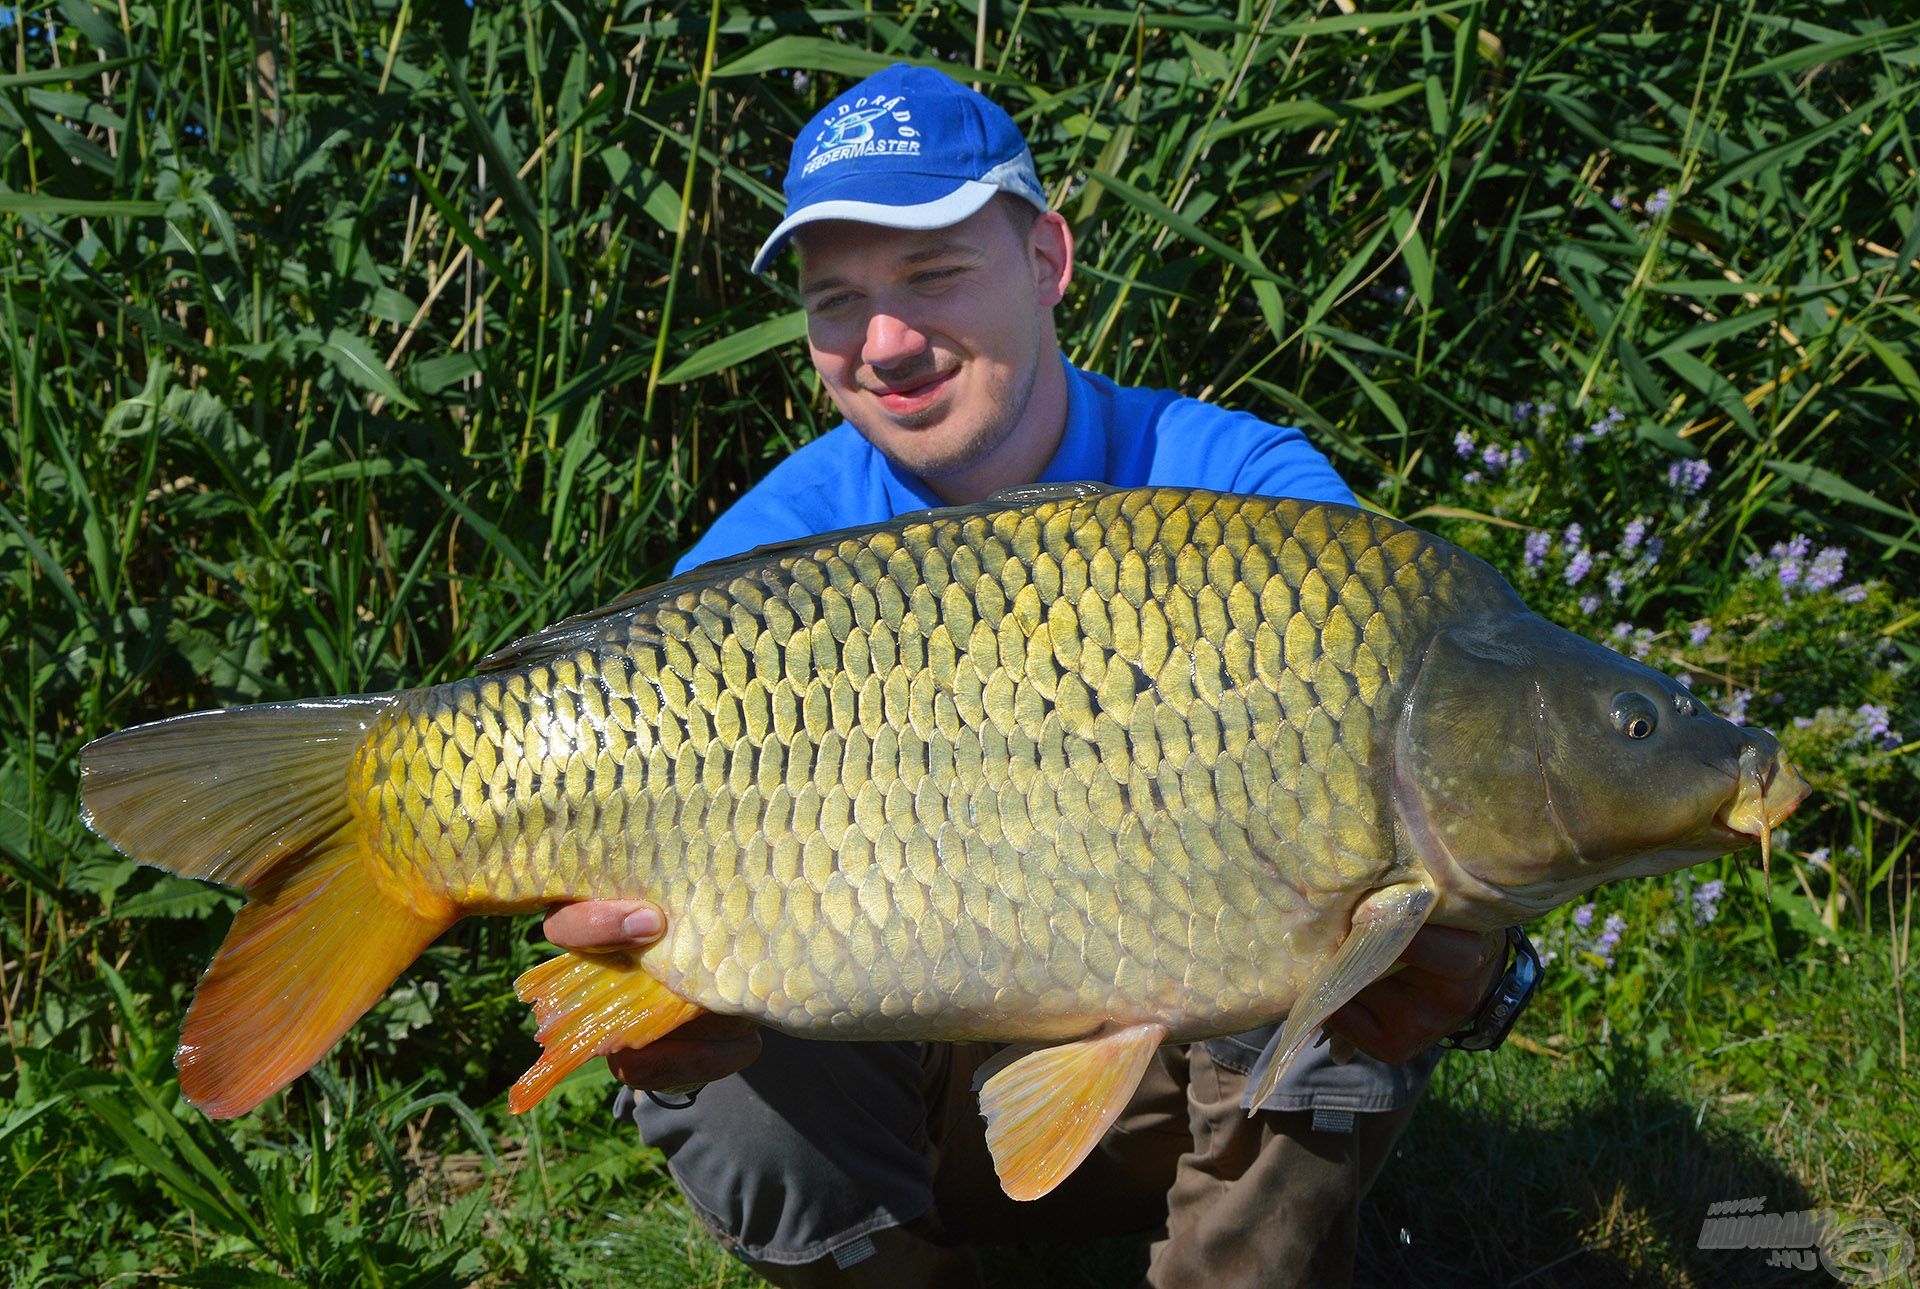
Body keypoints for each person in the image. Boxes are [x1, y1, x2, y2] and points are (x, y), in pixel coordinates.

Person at [543, 64, 1537, 1287]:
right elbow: (620, 949)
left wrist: (1482, 956)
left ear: (1049, 259)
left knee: (1354, 924)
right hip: (900, 1099)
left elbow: (1431, 781)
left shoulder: (1249, 498)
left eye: (935, 276)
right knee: (714, 1062)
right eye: (836, 300)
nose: (887, 342)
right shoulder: (762, 561)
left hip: (1167, 1084)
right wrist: (642, 988)